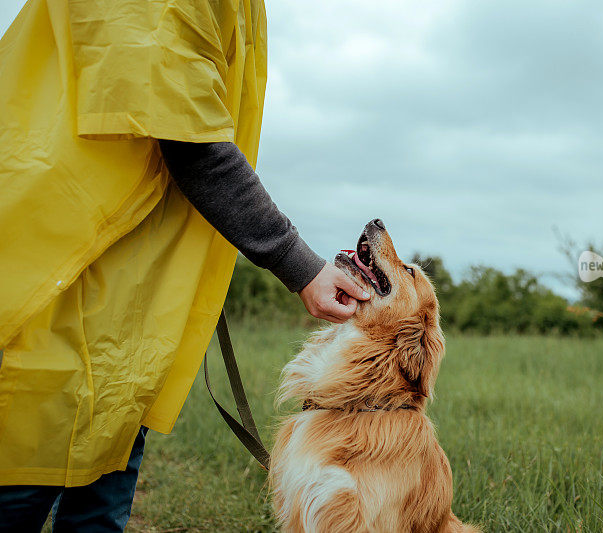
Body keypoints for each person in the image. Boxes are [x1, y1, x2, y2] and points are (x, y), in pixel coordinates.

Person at [0, 0, 368, 530]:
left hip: (125, 299)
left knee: (101, 488)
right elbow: (190, 139)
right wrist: (300, 266)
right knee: (23, 478)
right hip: (56, 270)